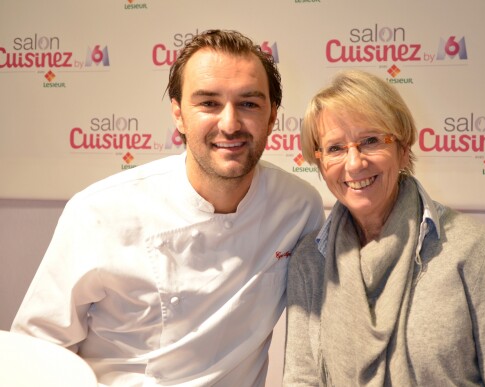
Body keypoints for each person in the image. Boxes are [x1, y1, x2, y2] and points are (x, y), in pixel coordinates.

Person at [11, 29, 324, 386]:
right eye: (208, 103)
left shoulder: (299, 207)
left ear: (271, 117)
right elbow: (35, 351)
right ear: (178, 114)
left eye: (249, 103)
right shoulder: (99, 212)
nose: (230, 123)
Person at [283, 70, 485, 386]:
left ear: (403, 147)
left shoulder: (474, 249)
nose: (354, 163)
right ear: (319, 162)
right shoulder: (310, 260)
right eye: (336, 148)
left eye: (370, 141)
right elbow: (301, 379)